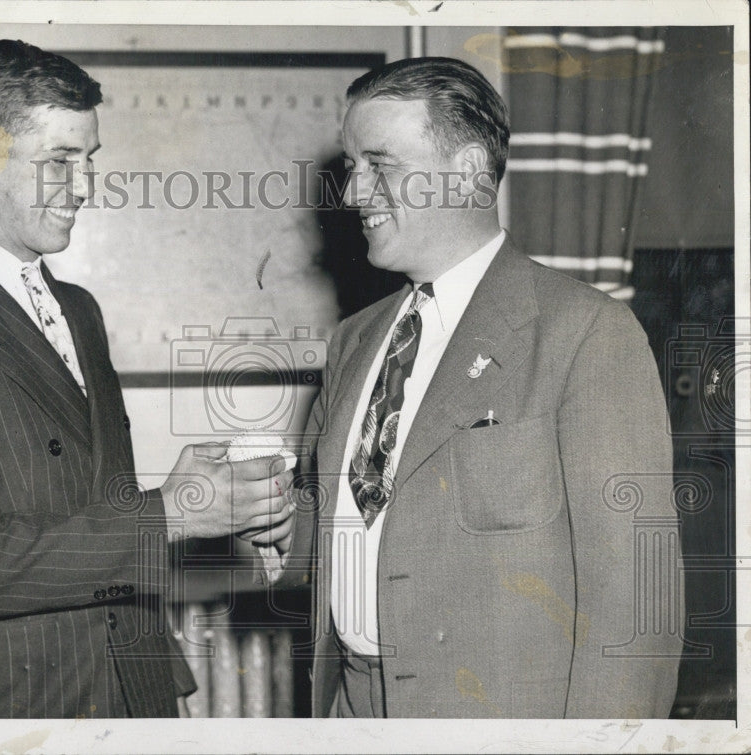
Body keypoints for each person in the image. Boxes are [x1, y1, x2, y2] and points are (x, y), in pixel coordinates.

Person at [0, 39, 293, 719]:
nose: (83, 186)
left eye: (89, 160)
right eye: (59, 161)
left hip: (134, 691)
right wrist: (171, 512)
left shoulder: (78, 309)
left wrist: (207, 503)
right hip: (14, 707)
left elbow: (80, 505)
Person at [271, 57, 683, 718]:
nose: (354, 193)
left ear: (465, 172)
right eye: (353, 166)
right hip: (350, 712)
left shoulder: (584, 332)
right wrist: (264, 526)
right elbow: (331, 535)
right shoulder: (353, 340)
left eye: (381, 164)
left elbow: (634, 605)